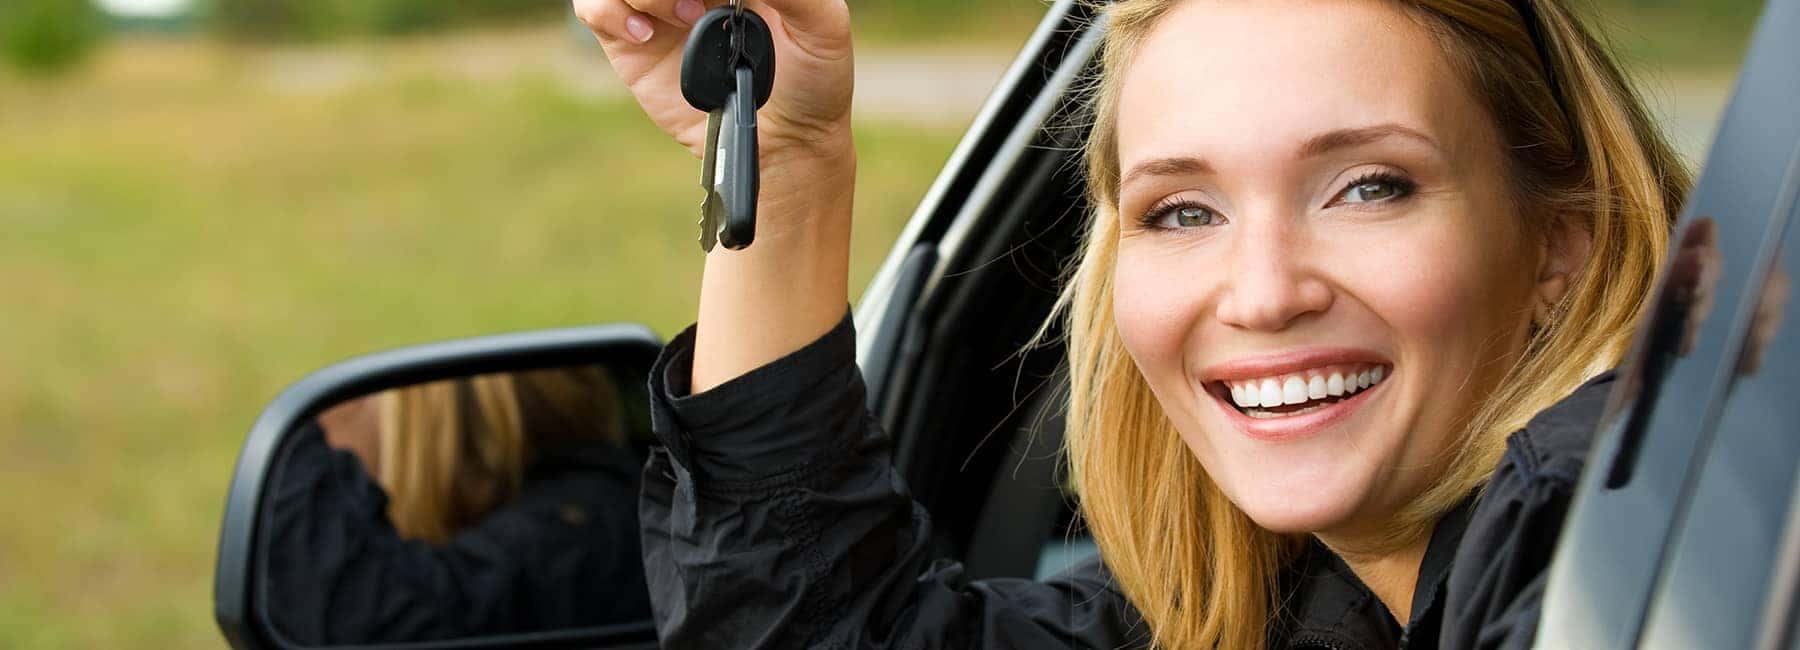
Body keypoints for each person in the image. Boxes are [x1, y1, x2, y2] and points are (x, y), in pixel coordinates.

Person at [578, 0, 1688, 646]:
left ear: (1560, 245)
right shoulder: (1282, 597)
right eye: (1183, 210)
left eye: (1368, 186)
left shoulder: (1609, 556)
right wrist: (786, 160)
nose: (1260, 292)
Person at [261, 366, 652, 645]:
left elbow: (379, 629)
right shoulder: (614, 501)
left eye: (359, 390)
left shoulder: (580, 530)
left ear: (428, 423)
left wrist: (306, 457)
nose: (333, 415)